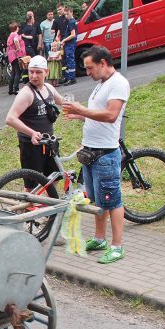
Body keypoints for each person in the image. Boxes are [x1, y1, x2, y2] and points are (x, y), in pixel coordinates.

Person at [62, 45, 130, 264]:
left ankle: (117, 246)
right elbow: (97, 115)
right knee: (97, 200)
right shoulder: (101, 84)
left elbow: (111, 115)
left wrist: (81, 110)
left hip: (105, 154)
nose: (88, 72)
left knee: (112, 201)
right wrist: (80, 116)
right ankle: (100, 238)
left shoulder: (118, 83)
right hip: (90, 151)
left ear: (103, 63)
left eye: (90, 68)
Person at [5, 55, 63, 191]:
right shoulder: (26, 93)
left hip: (48, 142)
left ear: (46, 72)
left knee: (54, 177)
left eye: (38, 72)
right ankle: (27, 208)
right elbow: (10, 118)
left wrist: (82, 111)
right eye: (31, 72)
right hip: (31, 145)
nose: (34, 76)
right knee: (31, 185)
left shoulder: (49, 88)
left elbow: (64, 102)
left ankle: (48, 209)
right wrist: (31, 133)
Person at [51, 3, 69, 83]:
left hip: (69, 40)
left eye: (60, 9)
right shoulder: (57, 20)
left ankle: (70, 76)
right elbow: (54, 30)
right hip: (61, 42)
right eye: (57, 10)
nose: (59, 11)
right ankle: (64, 76)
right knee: (62, 59)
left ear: (64, 8)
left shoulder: (68, 17)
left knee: (69, 58)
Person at [7, 21, 26, 95]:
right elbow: (16, 41)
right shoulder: (15, 34)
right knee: (18, 72)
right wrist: (19, 49)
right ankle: (16, 89)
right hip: (15, 54)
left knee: (13, 72)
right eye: (18, 26)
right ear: (16, 28)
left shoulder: (10, 34)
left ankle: (10, 89)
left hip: (11, 55)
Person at [60, 6, 78, 85]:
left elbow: (73, 34)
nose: (66, 16)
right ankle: (68, 77)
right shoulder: (72, 21)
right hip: (69, 44)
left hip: (70, 44)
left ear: (71, 12)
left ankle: (72, 78)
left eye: (67, 14)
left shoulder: (71, 22)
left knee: (70, 61)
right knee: (68, 61)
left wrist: (64, 40)